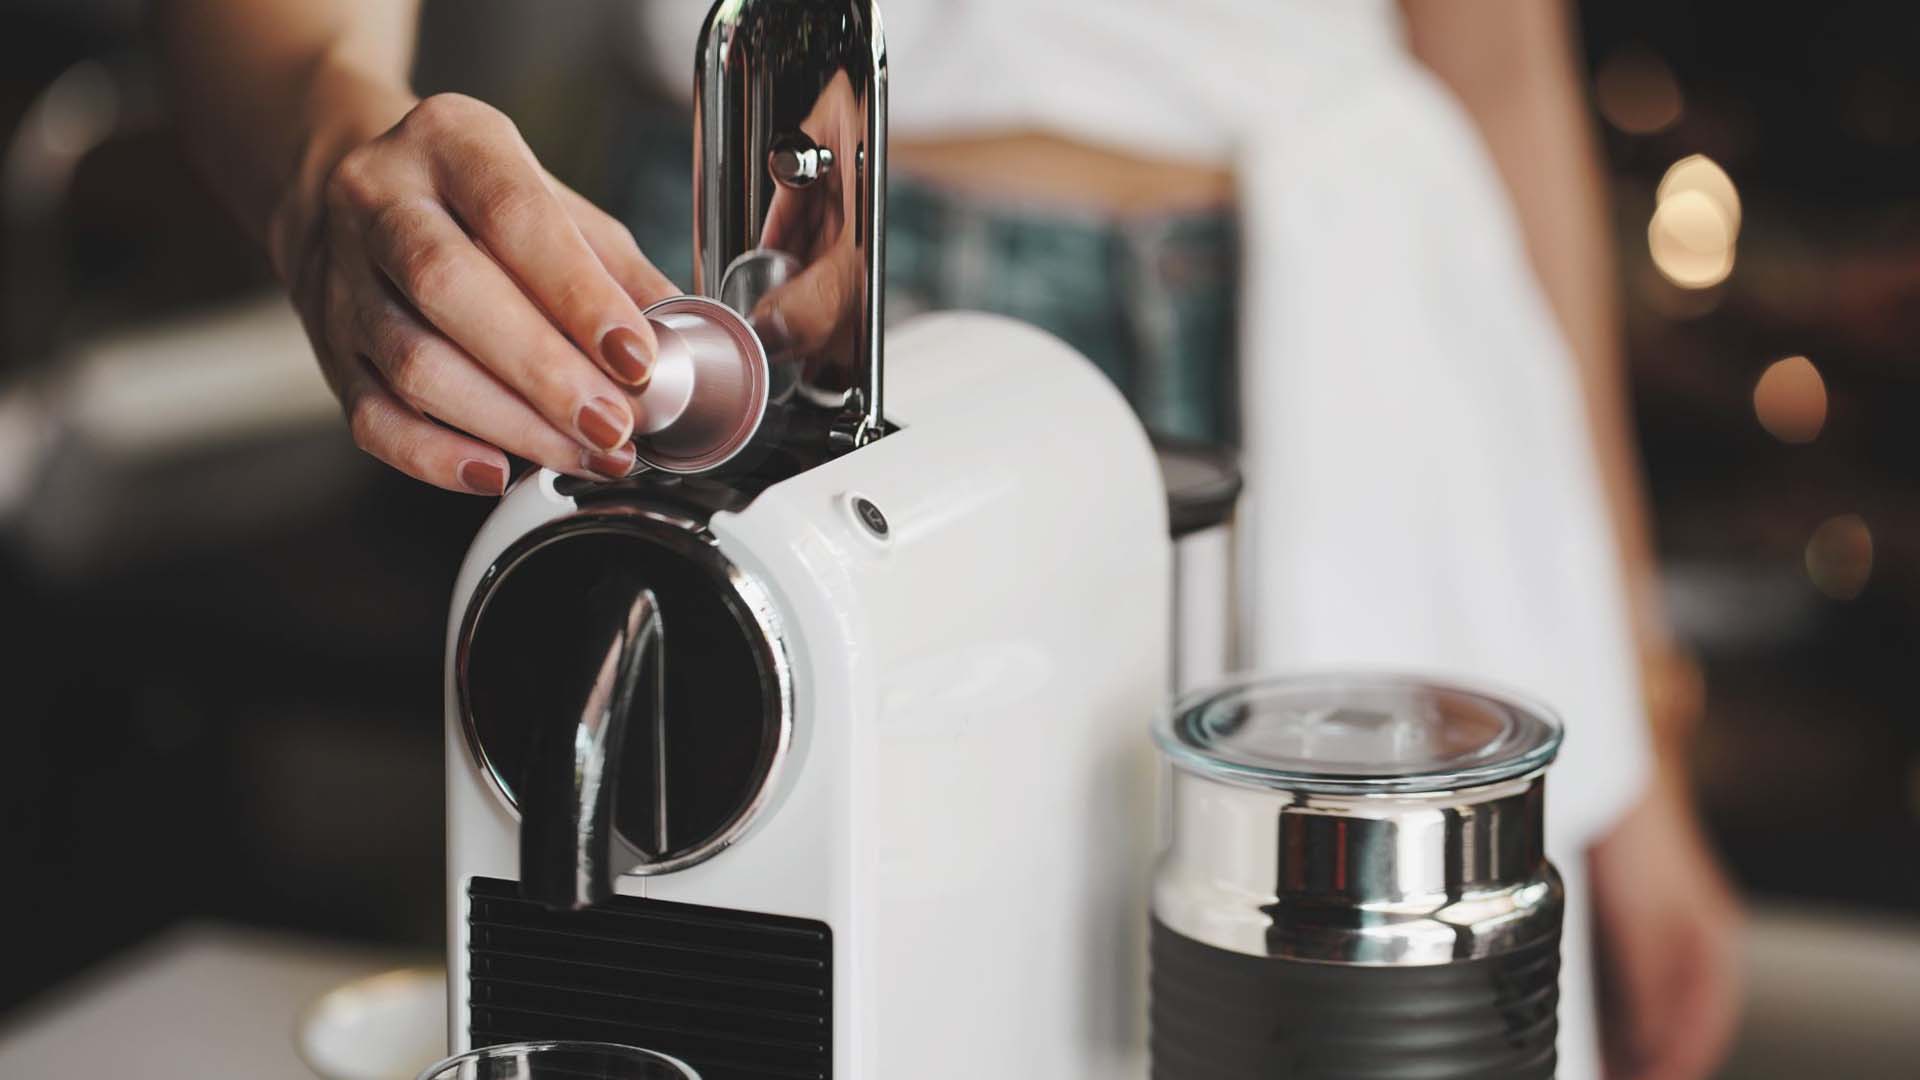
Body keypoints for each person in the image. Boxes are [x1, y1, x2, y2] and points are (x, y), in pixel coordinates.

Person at [158, 1, 1742, 1076]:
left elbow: (1499, 58)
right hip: (720, 290)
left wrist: (1640, 748)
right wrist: (328, 169)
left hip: (1341, 330)